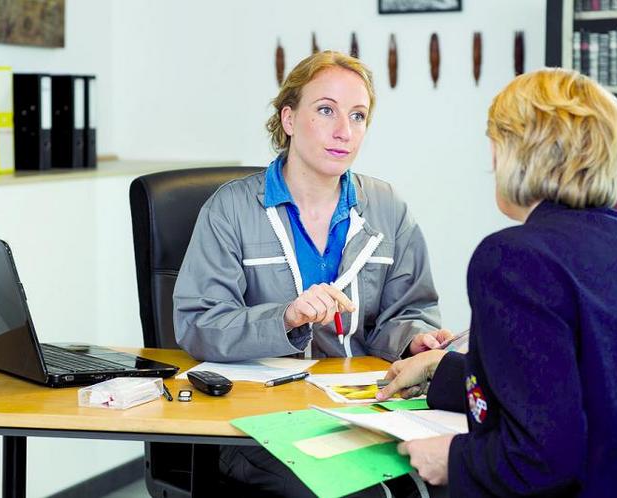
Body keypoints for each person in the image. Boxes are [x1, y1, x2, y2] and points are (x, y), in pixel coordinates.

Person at [377, 68, 617, 497]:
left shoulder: (514, 258)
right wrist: (442, 371)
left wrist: (451, 458)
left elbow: (543, 457)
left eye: (494, 145)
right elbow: (590, 388)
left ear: (519, 151)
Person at [173, 50, 450, 496]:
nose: (344, 131)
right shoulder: (230, 210)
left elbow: (406, 313)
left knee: (451, 477)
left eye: (358, 116)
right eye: (326, 111)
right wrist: (284, 318)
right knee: (362, 494)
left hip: (363, 411)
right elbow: (199, 325)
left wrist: (413, 338)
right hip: (258, 422)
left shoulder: (388, 209)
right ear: (288, 118)